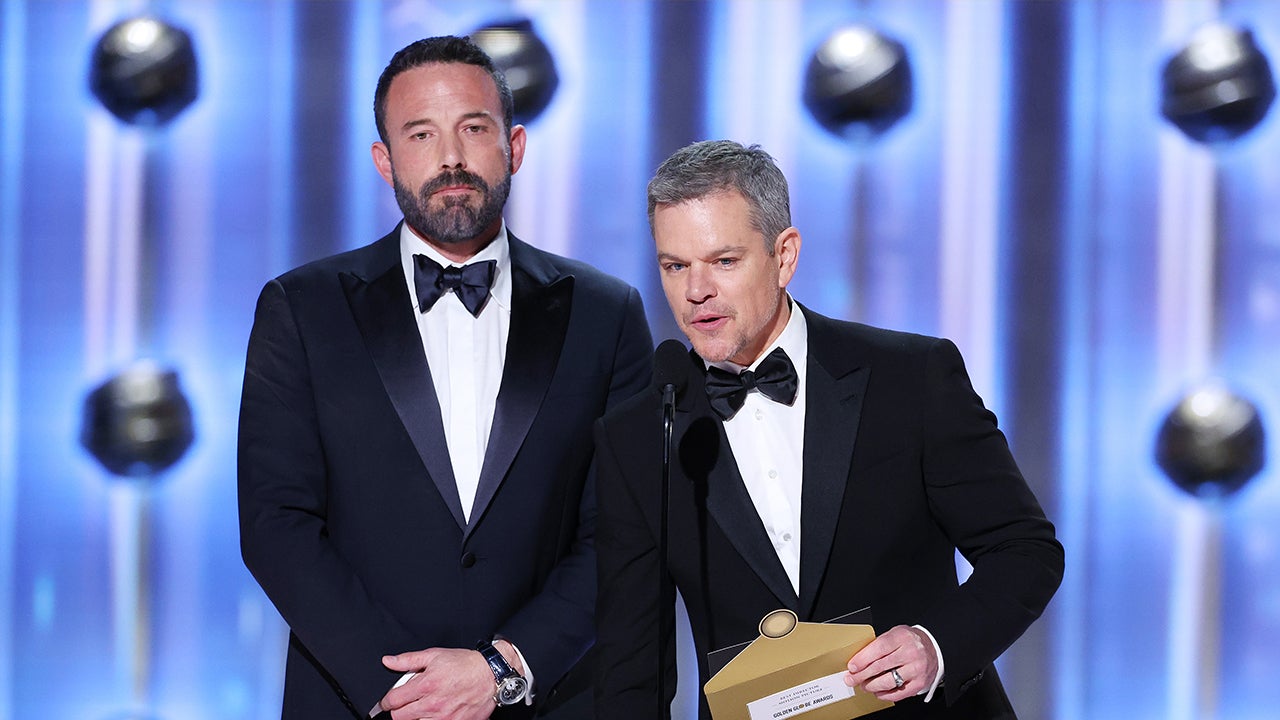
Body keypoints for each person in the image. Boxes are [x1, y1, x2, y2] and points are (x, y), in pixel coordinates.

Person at [238, 35, 653, 720]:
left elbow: (623, 529)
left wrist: (504, 668)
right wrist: (406, 689)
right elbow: (274, 523)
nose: (451, 157)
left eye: (474, 129)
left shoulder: (606, 314)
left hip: (546, 699)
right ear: (385, 160)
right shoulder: (302, 308)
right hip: (362, 702)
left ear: (514, 146)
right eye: (421, 134)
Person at [593, 140, 1064, 719]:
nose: (696, 291)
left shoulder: (910, 378)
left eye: (724, 261)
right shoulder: (640, 435)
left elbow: (1025, 551)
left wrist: (935, 646)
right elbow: (630, 667)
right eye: (675, 266)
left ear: (784, 256)